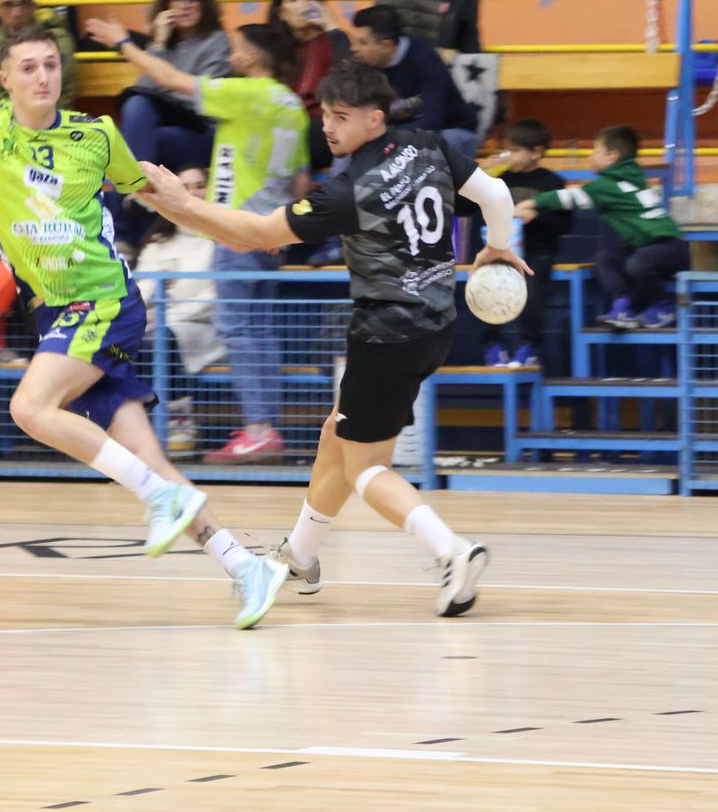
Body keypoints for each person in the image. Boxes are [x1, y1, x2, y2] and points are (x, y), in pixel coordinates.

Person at [0, 24, 288, 628]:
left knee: (29, 409)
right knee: (152, 462)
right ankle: (246, 567)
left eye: (51, 65)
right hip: (52, 312)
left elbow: (158, 196)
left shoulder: (96, 134)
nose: (43, 77)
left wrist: (220, 220)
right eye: (30, 67)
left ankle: (158, 496)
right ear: (5, 77)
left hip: (103, 301)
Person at [134, 57, 527, 615]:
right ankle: (300, 555)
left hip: (384, 337)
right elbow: (496, 198)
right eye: (324, 116)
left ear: (374, 118)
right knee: (333, 438)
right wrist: (497, 245)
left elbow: (254, 236)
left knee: (365, 467)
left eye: (341, 117)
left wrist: (181, 205)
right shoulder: (429, 145)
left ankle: (453, 553)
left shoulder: (347, 192)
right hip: (436, 326)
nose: (328, 127)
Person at [86, 17, 309, 464]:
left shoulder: (248, 93)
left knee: (241, 331)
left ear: (250, 55)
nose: (230, 56)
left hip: (237, 229)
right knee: (260, 331)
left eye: (235, 48)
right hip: (273, 232)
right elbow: (300, 184)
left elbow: (168, 80)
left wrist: (124, 41)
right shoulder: (293, 105)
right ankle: (265, 428)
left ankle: (259, 430)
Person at [524, 124, 686, 330]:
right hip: (649, 247)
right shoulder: (629, 177)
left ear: (612, 155)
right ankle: (622, 305)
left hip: (670, 247)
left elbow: (569, 197)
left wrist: (531, 203)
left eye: (595, 150)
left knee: (637, 264)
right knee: (604, 260)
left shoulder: (608, 185)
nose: (590, 156)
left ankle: (664, 305)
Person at [133, 165, 221, 456]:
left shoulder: (222, 236)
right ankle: (133, 427)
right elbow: (141, 288)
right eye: (184, 186)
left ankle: (180, 424)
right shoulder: (158, 242)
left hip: (204, 328)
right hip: (154, 325)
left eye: (199, 185)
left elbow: (215, 298)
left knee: (162, 337)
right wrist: (142, 313)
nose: (193, 192)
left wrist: (163, 317)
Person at [114, 0, 230, 175]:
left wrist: (165, 90)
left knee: (134, 144)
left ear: (204, 4)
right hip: (168, 125)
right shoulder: (162, 42)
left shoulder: (217, 41)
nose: (185, 6)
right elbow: (145, 90)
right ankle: (135, 199)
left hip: (203, 130)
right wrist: (158, 44)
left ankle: (132, 199)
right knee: (137, 105)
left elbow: (202, 101)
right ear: (167, 5)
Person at [482, 119, 568, 368]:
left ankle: (528, 346)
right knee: (486, 288)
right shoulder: (501, 180)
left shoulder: (552, 182)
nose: (509, 156)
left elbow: (564, 224)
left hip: (537, 251)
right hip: (502, 251)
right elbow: (467, 205)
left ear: (536, 152)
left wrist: (537, 215)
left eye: (516, 150)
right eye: (506, 150)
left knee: (530, 291)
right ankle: (493, 346)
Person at [349, 5, 477, 156]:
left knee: (431, 149)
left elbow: (432, 122)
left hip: (450, 130)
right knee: (351, 141)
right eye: (355, 41)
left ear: (386, 45)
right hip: (396, 137)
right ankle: (338, 180)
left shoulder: (424, 58)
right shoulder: (364, 64)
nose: (354, 48)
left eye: (363, 43)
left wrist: (382, 136)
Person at [268, 0, 350, 165]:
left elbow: (350, 81)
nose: (304, 5)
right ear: (281, 13)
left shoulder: (334, 41)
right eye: (293, 0)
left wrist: (331, 26)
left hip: (324, 128)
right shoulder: (271, 47)